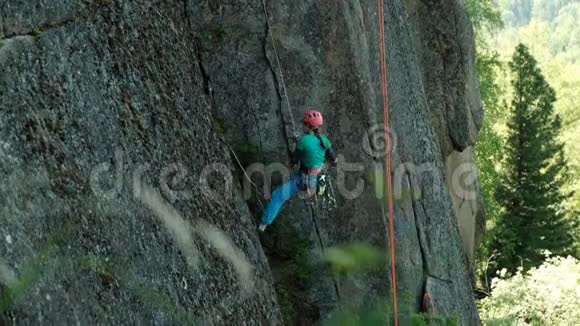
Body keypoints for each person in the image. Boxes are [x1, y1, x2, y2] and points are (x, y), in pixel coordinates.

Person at [258, 110, 337, 232]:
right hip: (317, 176)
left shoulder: (304, 140)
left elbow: (294, 159)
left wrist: (298, 143)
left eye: (304, 124)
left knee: (277, 195)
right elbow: (333, 158)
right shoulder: (324, 139)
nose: (302, 126)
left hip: (305, 179)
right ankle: (308, 193)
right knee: (291, 180)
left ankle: (263, 224)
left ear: (307, 125)